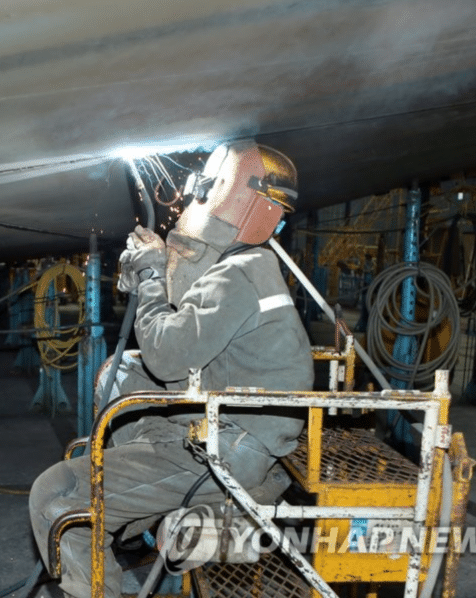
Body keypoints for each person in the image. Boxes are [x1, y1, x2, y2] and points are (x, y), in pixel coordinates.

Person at [28, 140, 315, 598]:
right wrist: (149, 272)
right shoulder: (248, 265)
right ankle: (179, 514)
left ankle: (216, 517)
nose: (195, 194)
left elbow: (166, 354)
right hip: (235, 430)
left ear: (233, 196)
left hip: (227, 451)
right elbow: (184, 318)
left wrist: (149, 277)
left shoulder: (238, 275)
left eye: (205, 187)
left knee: (56, 500)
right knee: (121, 376)